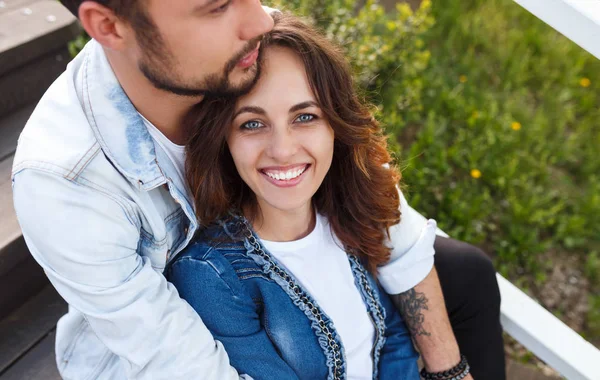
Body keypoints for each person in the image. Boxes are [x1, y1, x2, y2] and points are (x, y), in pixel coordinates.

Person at [11, 0, 504, 379]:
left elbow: (376, 200)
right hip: (174, 347)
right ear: (110, 27)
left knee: (465, 274)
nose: (261, 20)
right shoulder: (65, 184)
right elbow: (179, 361)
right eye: (217, 5)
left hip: (292, 249)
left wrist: (448, 371)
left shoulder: (237, 43)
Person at [167, 13, 423, 379]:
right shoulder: (211, 275)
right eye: (252, 124)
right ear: (225, 139)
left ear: (335, 124)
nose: (283, 151)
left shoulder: (346, 213)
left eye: (305, 117)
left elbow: (394, 336)